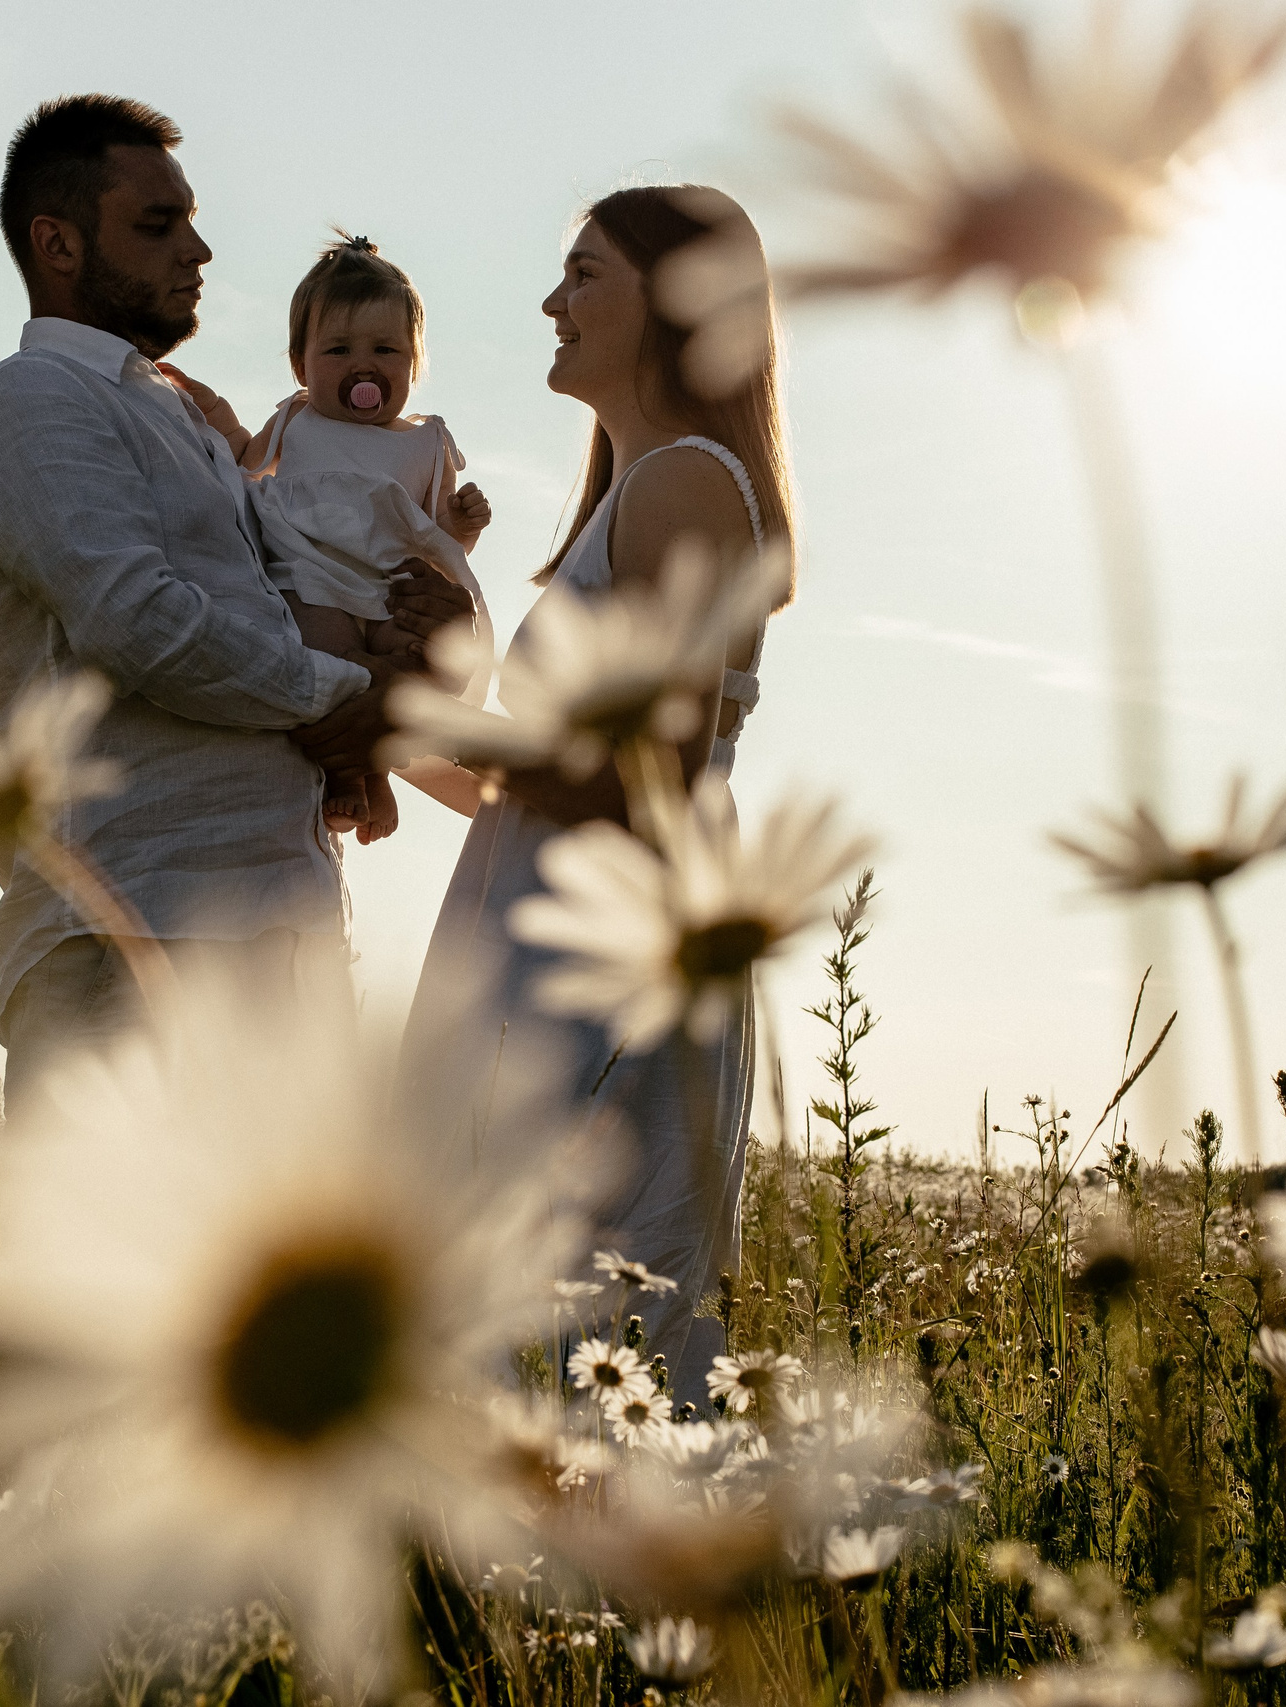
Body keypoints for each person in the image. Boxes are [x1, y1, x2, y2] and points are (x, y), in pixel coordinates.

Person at [0, 95, 471, 1103]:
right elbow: (142, 623)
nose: (201, 249)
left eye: (193, 218)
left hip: (284, 940)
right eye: (157, 224)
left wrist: (423, 622)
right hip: (132, 936)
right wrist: (344, 698)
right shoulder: (28, 403)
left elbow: (282, 600)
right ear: (57, 244)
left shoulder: (180, 416)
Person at [398, 184, 797, 1407]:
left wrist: (436, 714)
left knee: (607, 1333)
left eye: (584, 276)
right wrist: (388, 712)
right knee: (517, 1326)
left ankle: (623, 1590)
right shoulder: (641, 489)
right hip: (545, 945)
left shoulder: (686, 481)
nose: (550, 303)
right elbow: (520, 791)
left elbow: (650, 782)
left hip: (612, 980)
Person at [174, 235, 493, 842]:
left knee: (407, 673)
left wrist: (461, 527)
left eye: (385, 349)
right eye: (338, 349)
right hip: (312, 577)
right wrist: (206, 403)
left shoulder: (426, 444)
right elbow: (244, 455)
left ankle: (382, 771)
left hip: (393, 588)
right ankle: (355, 780)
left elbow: (434, 543)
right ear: (302, 365)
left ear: (414, 362)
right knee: (332, 668)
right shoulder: (298, 419)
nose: (362, 364)